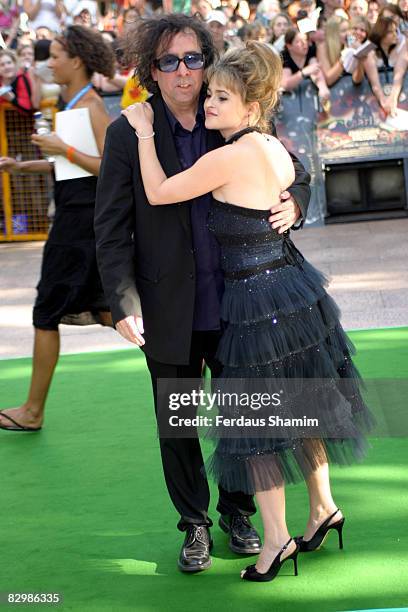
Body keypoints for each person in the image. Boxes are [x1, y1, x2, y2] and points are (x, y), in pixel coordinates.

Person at [122, 39, 372, 582]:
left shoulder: (230, 153)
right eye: (210, 95)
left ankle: (275, 542)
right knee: (301, 407)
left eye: (222, 97)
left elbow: (162, 192)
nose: (210, 104)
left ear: (252, 107)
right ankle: (323, 507)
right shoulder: (271, 148)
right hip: (294, 291)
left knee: (255, 423)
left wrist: (144, 132)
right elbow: (287, 180)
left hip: (256, 301)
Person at [94, 13, 311, 574]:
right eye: (170, 61)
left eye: (194, 58)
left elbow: (293, 166)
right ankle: (194, 523)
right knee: (179, 420)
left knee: (245, 418)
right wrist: (123, 301)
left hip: (237, 302)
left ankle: (238, 512)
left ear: (209, 63)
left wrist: (297, 202)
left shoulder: (229, 110)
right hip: (166, 306)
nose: (185, 71)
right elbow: (111, 227)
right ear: (152, 72)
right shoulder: (128, 132)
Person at [0, 26, 114, 433]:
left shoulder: (93, 105)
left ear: (77, 61)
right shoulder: (75, 102)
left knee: (46, 309)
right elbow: (72, 168)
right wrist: (25, 164)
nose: (50, 62)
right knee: (111, 312)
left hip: (79, 228)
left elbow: (111, 169)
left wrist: (61, 149)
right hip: (77, 220)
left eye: (57, 54)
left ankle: (32, 411)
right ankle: (200, 366)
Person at [281, 29, 331, 109]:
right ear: (289, 46)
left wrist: (322, 87)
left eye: (305, 40)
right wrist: (303, 72)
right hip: (290, 103)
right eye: (298, 41)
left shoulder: (311, 50)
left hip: (309, 101)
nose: (304, 44)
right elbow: (286, 84)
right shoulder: (284, 56)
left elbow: (315, 69)